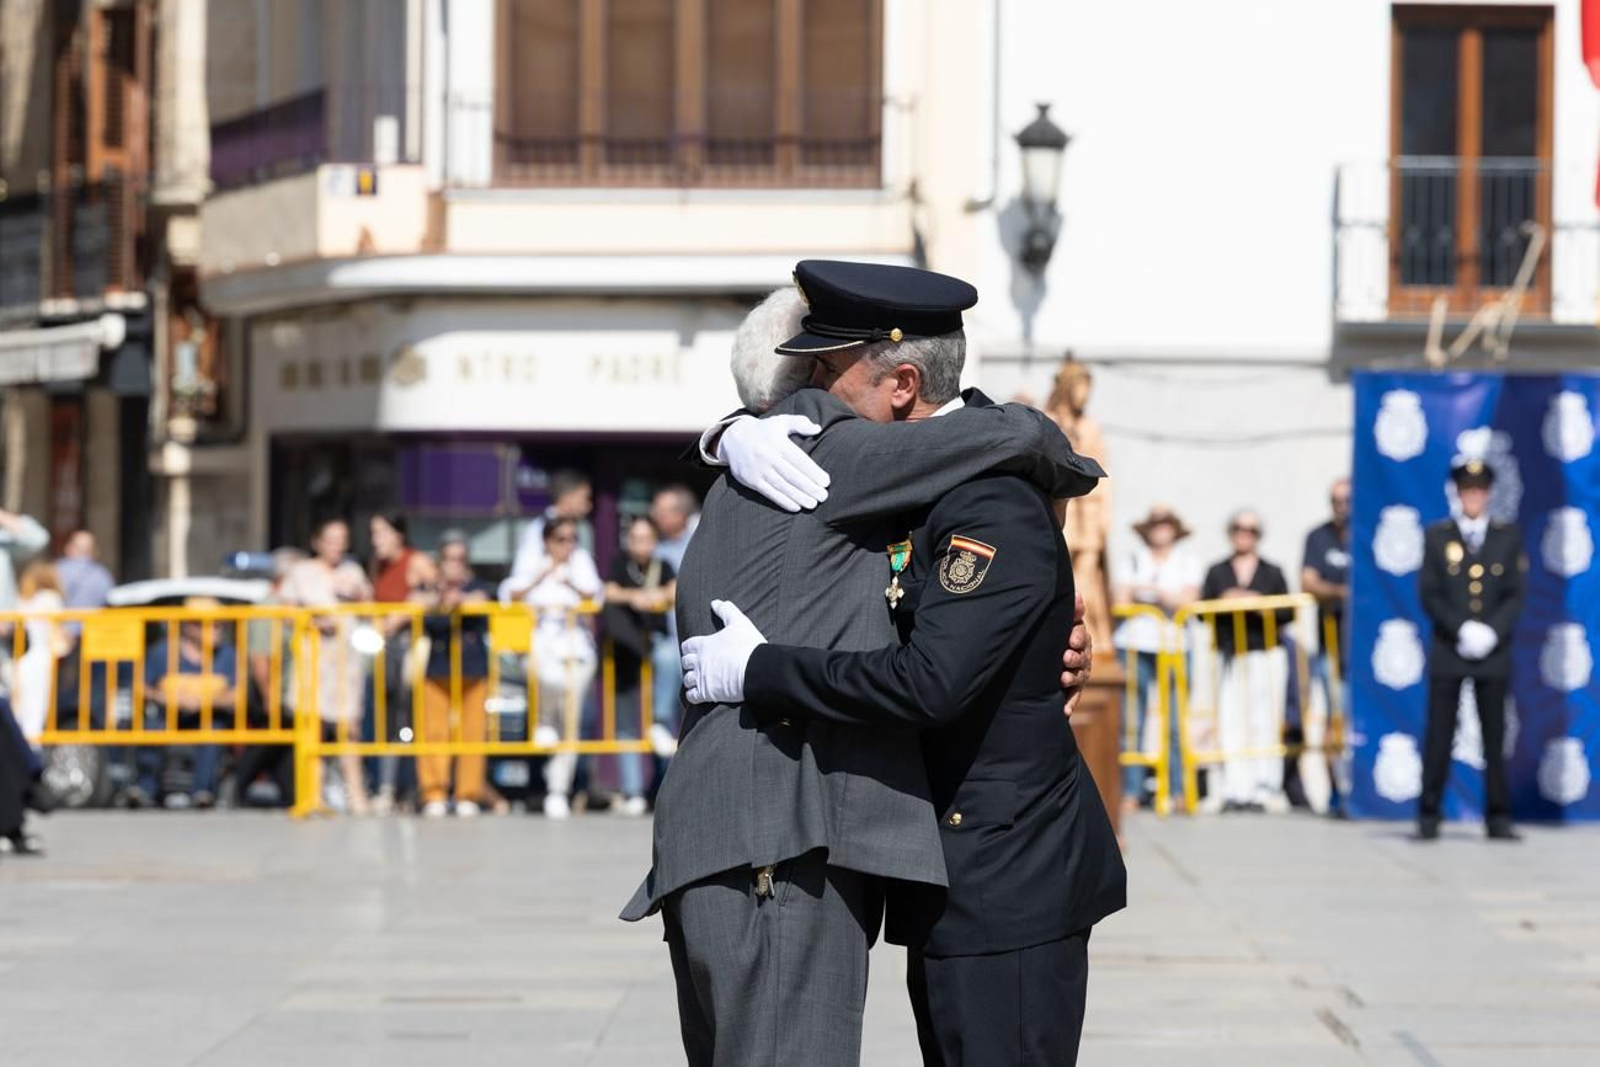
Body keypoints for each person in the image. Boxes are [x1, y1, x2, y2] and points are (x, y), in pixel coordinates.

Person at [637, 263, 1117, 1065]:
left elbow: (933, 663)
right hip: (784, 842)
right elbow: (1023, 436)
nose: (816, 398)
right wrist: (731, 431)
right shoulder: (833, 459)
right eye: (808, 375)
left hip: (973, 868)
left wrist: (726, 434)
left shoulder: (838, 471)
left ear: (899, 382)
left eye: (827, 370)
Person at [1417, 460, 1525, 842]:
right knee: (1440, 733)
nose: (1473, 497)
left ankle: (1498, 816)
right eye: (1467, 490)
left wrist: (1491, 632)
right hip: (1451, 648)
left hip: (1492, 653)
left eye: (1479, 491)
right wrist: (1460, 627)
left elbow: (1514, 594)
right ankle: (1429, 815)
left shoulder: (1505, 538)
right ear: (1458, 494)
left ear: (1488, 494)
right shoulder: (1437, 537)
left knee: (1494, 737)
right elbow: (1429, 592)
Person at [1201, 510, 1293, 813]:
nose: (1244, 534)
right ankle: (1234, 788)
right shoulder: (1217, 571)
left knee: (1264, 719)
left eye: (1251, 530)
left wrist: (1257, 604)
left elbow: (1287, 612)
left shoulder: (1272, 571)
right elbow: (1202, 609)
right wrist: (1227, 599)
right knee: (1230, 720)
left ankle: (1265, 788)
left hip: (1264, 652)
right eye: (1239, 528)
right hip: (1229, 653)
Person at [280, 519, 374, 815]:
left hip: (345, 662)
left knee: (350, 728)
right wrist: (315, 620)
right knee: (314, 729)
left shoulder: (352, 570)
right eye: (331, 539)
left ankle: (357, 796)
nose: (337, 546)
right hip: (314, 660)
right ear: (317, 542)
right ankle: (313, 795)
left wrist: (359, 596)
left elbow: (370, 608)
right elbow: (285, 612)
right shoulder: (301, 572)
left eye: (342, 539)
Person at [1112, 505, 1201, 812]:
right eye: (1155, 524)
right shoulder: (1133, 559)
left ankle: (1178, 790)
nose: (1160, 529)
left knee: (1176, 723)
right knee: (1131, 722)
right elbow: (1120, 599)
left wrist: (1147, 591)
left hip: (1175, 647)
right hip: (1135, 646)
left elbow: (1187, 600)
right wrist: (1163, 595)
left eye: (1166, 524)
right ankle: (1131, 792)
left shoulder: (1187, 561)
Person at [525, 517, 602, 818]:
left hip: (576, 650)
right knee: (550, 683)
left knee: (568, 724)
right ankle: (543, 719)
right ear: (547, 540)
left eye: (572, 538)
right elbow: (510, 593)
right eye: (560, 538)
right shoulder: (533, 561)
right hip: (541, 647)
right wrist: (539, 577)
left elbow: (594, 595)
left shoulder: (581, 561)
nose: (567, 545)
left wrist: (568, 579)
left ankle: (558, 790)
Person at [603, 516, 677, 816]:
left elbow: (674, 590)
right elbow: (608, 592)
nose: (640, 544)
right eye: (634, 538)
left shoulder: (664, 565)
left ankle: (659, 721)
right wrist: (636, 597)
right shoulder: (619, 564)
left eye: (646, 538)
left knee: (670, 658)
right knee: (626, 721)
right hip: (624, 649)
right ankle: (632, 789)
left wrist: (658, 596)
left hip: (655, 644)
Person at [417, 531, 492, 818]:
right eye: (448, 559)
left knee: (473, 733)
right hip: (438, 666)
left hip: (472, 667)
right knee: (434, 732)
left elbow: (480, 600)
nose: (454, 565)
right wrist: (439, 597)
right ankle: (434, 791)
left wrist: (458, 599)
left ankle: (467, 794)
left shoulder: (475, 586)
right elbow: (417, 603)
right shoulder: (430, 589)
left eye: (460, 559)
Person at [138, 602, 241, 809]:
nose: (216, 630)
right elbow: (141, 686)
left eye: (219, 625)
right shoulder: (163, 652)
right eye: (209, 625)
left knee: (214, 730)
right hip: (168, 715)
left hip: (208, 716)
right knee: (151, 727)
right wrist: (165, 697)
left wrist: (206, 702)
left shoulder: (228, 655)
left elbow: (238, 695)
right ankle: (144, 789)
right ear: (189, 627)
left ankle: (202, 792)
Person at [367, 512, 436, 815]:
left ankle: (410, 787)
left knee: (408, 719)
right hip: (384, 648)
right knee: (387, 718)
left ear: (398, 534)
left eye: (381, 532)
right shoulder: (377, 565)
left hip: (411, 646)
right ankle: (387, 786)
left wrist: (403, 614)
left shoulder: (416, 561)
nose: (375, 540)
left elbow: (435, 593)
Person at [235, 548, 307, 808]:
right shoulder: (268, 608)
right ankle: (235, 787)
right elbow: (259, 658)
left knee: (282, 747)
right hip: (268, 692)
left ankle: (293, 795)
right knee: (267, 743)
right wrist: (270, 698)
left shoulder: (290, 608)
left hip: (285, 693)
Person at [1301, 478, 1352, 814]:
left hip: (1362, 650)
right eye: (1335, 500)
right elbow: (1308, 581)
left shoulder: (1366, 533)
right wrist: (1341, 593)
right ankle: (1337, 790)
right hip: (1331, 645)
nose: (1341, 506)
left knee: (1356, 724)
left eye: (1346, 500)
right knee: (1334, 720)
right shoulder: (1319, 537)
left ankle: (1359, 787)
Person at [646, 485, 699, 759]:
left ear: (681, 514)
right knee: (667, 658)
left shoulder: (700, 541)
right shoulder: (655, 549)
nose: (655, 515)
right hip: (667, 635)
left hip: (697, 635)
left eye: (662, 510)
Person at [500, 470, 595, 604]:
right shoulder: (537, 530)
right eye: (584, 498)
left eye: (570, 539)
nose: (588, 506)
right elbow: (520, 580)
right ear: (568, 497)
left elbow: (592, 590)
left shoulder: (579, 535)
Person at [14, 561, 69, 743]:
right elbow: (57, 633)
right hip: (44, 656)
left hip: (27, 658)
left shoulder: (25, 600)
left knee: (23, 710)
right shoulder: (51, 598)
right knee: (37, 712)